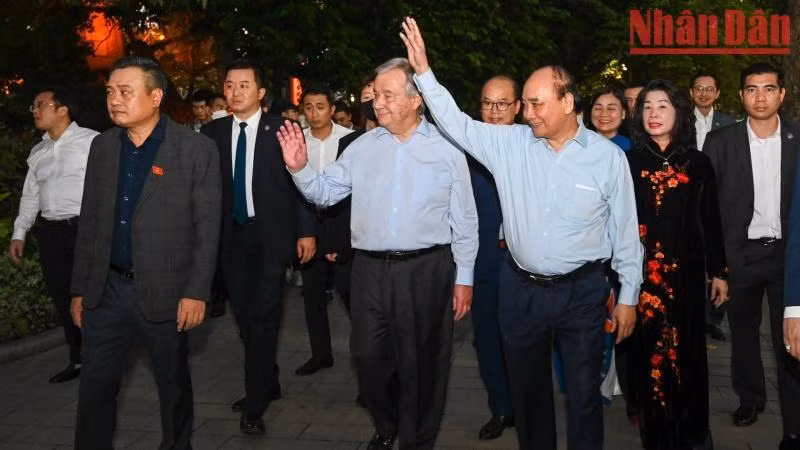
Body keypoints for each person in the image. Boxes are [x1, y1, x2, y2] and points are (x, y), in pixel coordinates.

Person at [400, 17, 643, 450]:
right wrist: (423, 72)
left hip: (583, 292)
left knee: (584, 395)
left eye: (535, 103)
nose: (526, 113)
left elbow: (625, 231)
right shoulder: (509, 144)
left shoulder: (607, 158)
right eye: (525, 105)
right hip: (521, 290)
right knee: (529, 396)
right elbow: (456, 122)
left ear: (567, 102)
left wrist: (627, 297)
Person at [279, 57, 478, 450]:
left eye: (387, 95)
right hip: (368, 269)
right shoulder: (362, 147)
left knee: (423, 363)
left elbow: (465, 219)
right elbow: (325, 193)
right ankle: (387, 424)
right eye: (374, 96)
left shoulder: (447, 150)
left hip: (427, 269)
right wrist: (300, 169)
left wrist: (464, 277)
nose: (377, 103)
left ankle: (416, 439)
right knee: (367, 357)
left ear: (416, 99)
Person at [70, 56, 221, 449]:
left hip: (167, 292)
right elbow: (90, 222)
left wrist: (197, 291)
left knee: (172, 387)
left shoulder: (194, 149)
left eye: (125, 92)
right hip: (107, 291)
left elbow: (207, 227)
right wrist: (80, 288)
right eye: (110, 92)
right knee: (94, 390)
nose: (114, 100)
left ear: (155, 97)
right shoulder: (102, 147)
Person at [200, 59, 316, 436]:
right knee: (246, 319)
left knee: (265, 317)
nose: (235, 92)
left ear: (261, 92)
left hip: (271, 238)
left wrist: (306, 231)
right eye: (230, 85)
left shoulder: (282, 128)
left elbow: (300, 182)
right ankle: (268, 380)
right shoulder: (212, 131)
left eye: (244, 85)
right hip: (231, 239)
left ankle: (254, 404)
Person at [625, 79, 728, 449]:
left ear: (678, 112)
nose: (654, 113)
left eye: (663, 106)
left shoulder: (697, 162)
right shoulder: (629, 161)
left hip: (687, 273)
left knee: (689, 353)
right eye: (647, 107)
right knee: (649, 353)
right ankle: (656, 432)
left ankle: (694, 432)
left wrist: (718, 272)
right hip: (642, 276)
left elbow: (711, 220)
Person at [704, 63, 800, 448]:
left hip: (787, 255)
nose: (760, 96)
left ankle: (793, 425)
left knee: (789, 341)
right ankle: (750, 399)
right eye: (751, 89)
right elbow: (708, 210)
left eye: (768, 88)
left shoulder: (797, 139)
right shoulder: (720, 142)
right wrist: (718, 269)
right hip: (739, 255)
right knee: (743, 335)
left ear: (782, 94)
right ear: (741, 95)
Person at [9, 86, 98, 384]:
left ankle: (103, 355)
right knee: (63, 297)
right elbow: (30, 195)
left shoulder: (92, 142)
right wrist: (19, 232)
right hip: (51, 233)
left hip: (86, 230)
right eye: (33, 106)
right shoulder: (38, 152)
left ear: (63, 109)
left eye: (40, 105)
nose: (35, 111)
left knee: (94, 294)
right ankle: (78, 358)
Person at [468, 75, 519, 440]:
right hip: (482, 261)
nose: (495, 111)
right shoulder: (465, 148)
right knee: (486, 340)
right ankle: (500, 407)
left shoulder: (534, 145)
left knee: (524, 341)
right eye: (488, 103)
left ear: (518, 106)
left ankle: (525, 404)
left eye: (503, 103)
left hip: (525, 266)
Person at [295, 86, 353, 376]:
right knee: (312, 293)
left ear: (332, 108)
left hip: (341, 223)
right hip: (309, 224)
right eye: (308, 106)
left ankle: (366, 360)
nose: (314, 112)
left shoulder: (349, 140)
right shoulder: (298, 142)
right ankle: (321, 354)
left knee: (349, 291)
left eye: (320, 106)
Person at [585, 85, 630, 151]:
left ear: (623, 114)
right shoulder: (578, 146)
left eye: (611, 108)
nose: (604, 114)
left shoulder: (634, 148)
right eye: (598, 108)